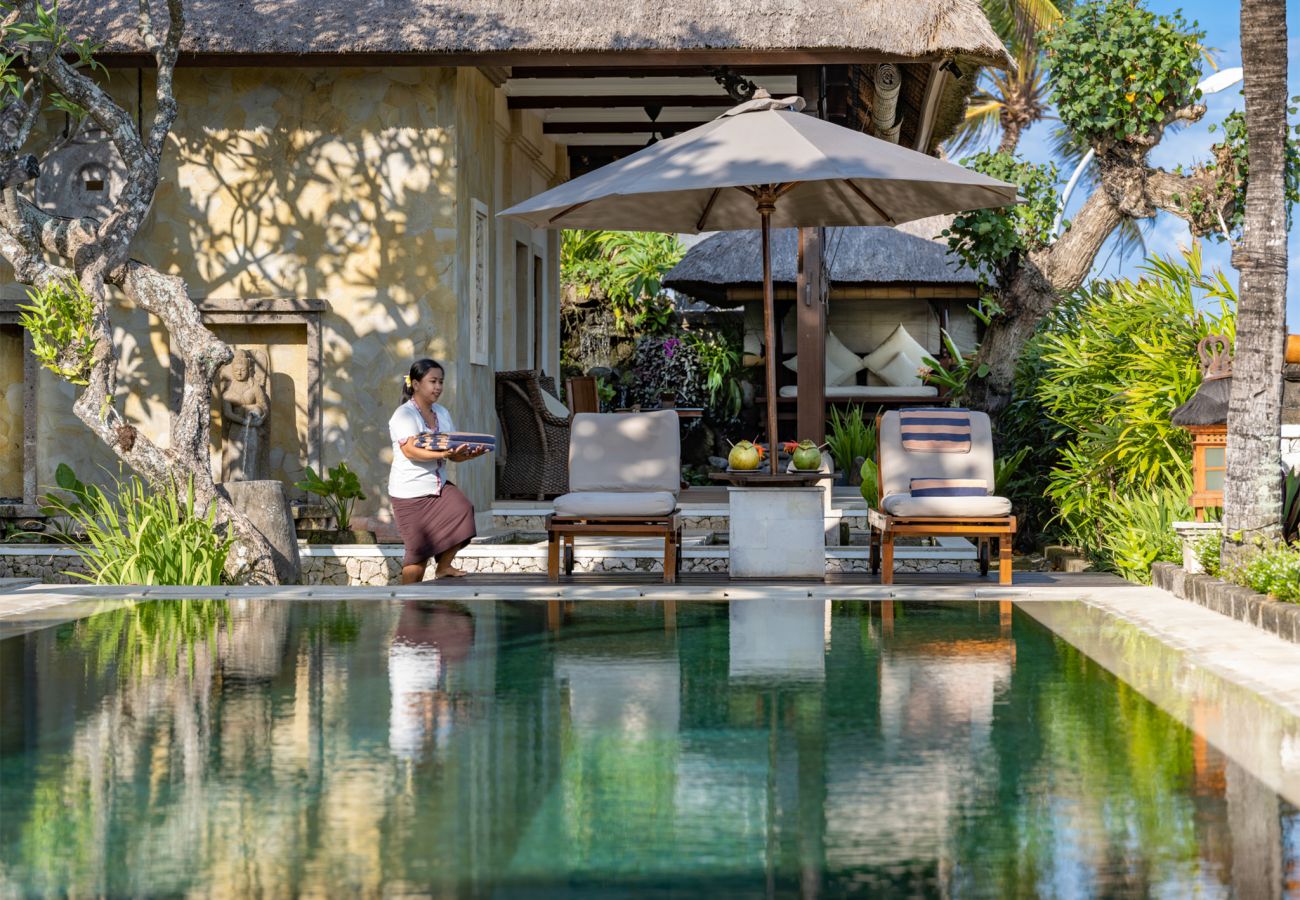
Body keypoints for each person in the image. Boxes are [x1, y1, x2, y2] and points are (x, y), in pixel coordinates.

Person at [388, 359, 488, 583]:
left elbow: (452, 451)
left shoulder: (441, 413)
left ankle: (443, 566)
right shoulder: (404, 415)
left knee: (463, 510)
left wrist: (469, 453)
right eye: (432, 381)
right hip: (409, 494)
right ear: (415, 384)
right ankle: (408, 605)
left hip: (438, 486)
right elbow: (410, 451)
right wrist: (445, 454)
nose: (438, 387)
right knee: (418, 557)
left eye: (441, 382)